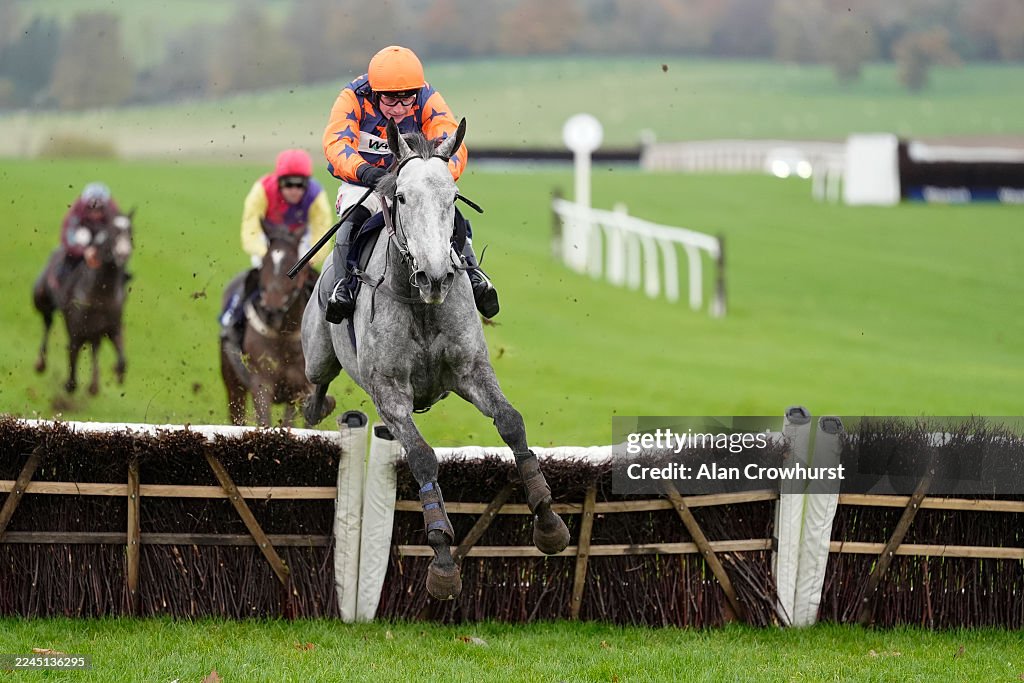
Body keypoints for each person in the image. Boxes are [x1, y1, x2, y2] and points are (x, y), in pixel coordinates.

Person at [321, 44, 498, 324]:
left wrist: (438, 173)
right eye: (391, 101)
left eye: (407, 100)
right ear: (375, 92)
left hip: (415, 182)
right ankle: (344, 287)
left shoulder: (427, 97)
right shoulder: (352, 98)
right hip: (367, 182)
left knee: (446, 207)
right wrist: (364, 171)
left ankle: (475, 274)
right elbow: (336, 143)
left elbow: (450, 139)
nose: (401, 109)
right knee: (353, 215)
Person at [219, 148, 333, 350]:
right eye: (288, 184)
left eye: (300, 185)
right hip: (269, 240)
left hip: (300, 241)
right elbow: (250, 227)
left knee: (317, 283)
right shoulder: (261, 190)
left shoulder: (316, 196)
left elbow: (321, 233)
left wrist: (308, 261)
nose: (294, 190)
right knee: (256, 277)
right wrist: (265, 256)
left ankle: (329, 330)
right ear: (278, 181)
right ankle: (231, 318)